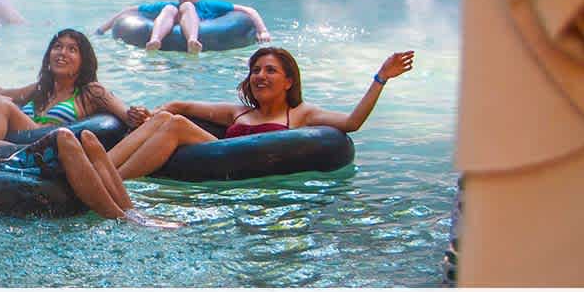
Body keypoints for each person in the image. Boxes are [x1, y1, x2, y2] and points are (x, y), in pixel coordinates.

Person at [0, 70, 178, 227]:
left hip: (0, 169)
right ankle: (122, 219)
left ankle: (131, 211)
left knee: (86, 139)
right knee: (63, 137)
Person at [107, 47, 415, 179]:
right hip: (213, 159)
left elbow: (352, 123)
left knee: (172, 125)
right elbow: (178, 106)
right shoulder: (237, 113)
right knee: (166, 119)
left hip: (249, 166)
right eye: (255, 70)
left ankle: (111, 179)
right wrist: (149, 116)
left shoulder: (302, 114)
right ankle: (102, 169)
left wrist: (381, 78)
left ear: (288, 80)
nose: (260, 76)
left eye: (270, 70)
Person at [0, 29, 141, 140]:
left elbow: (127, 115)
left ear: (83, 60)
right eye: (57, 47)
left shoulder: (91, 91)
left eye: (72, 49)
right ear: (48, 55)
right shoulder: (40, 88)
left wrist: (137, 115)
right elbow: (0, 92)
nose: (62, 53)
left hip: (43, 142)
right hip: (17, 139)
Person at [96, 0, 272, 53]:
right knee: (170, 9)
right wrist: (103, 28)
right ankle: (155, 40)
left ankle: (192, 41)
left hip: (202, 33)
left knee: (187, 7)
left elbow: (248, 10)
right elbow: (129, 11)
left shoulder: (209, 5)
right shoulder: (169, 5)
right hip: (169, 19)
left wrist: (262, 30)